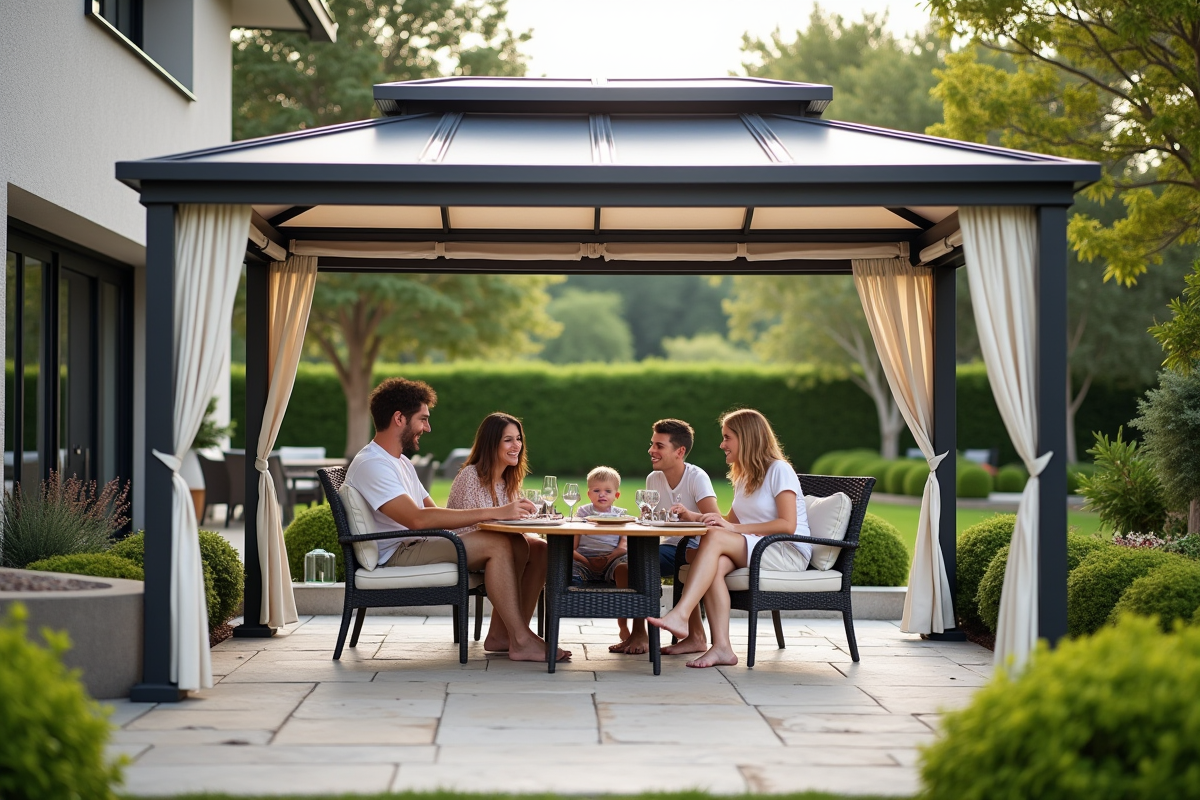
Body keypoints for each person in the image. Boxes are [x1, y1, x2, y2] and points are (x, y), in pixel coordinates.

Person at [345, 377, 568, 662]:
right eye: (423, 419)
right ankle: (521, 640)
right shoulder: (373, 464)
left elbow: (431, 511)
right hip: (396, 552)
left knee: (522, 545)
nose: (427, 427)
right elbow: (416, 519)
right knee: (497, 544)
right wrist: (496, 513)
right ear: (399, 418)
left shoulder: (399, 462)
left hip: (418, 543)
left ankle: (505, 635)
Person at [648, 408, 810, 668]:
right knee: (714, 564)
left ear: (746, 438)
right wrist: (695, 515)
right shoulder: (745, 475)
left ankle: (681, 614)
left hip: (786, 551)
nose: (722, 444)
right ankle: (722, 647)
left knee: (715, 538)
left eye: (727, 437)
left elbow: (787, 525)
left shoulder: (779, 470)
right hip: (757, 548)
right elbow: (731, 521)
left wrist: (731, 530)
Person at [611, 418, 721, 656]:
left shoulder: (696, 477)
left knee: (641, 561)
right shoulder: (654, 479)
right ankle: (638, 632)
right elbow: (651, 520)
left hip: (694, 548)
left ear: (679, 451)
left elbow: (715, 520)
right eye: (652, 444)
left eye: (659, 446)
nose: (651, 450)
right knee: (630, 563)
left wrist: (687, 516)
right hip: (669, 546)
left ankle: (688, 636)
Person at [446, 412, 548, 654]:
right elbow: (477, 526)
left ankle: (507, 635)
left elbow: (509, 523)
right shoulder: (472, 475)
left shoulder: (507, 479)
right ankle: (517, 638)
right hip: (461, 546)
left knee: (542, 549)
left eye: (519, 439)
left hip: (495, 545)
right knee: (519, 545)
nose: (517, 446)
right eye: (508, 440)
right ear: (491, 443)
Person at [571, 466, 629, 586]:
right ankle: (576, 600)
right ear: (589, 494)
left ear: (616, 495)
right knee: (571, 571)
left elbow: (623, 547)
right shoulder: (583, 513)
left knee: (624, 567)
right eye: (596, 491)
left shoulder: (620, 514)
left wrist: (607, 560)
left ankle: (625, 600)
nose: (602, 495)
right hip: (583, 560)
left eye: (608, 491)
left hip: (612, 560)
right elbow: (573, 546)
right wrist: (587, 562)